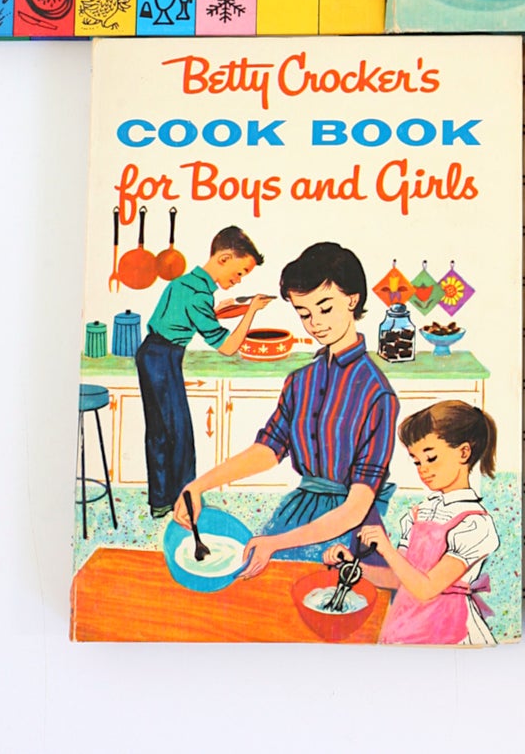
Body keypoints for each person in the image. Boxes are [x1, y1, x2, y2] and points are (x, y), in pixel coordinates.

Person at [174, 242, 399, 577]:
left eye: (325, 308)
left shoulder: (377, 393)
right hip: (297, 512)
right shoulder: (300, 380)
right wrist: (197, 486)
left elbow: (356, 508)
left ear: (352, 300)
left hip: (348, 531)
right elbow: (269, 449)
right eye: (304, 314)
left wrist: (276, 543)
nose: (315, 323)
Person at [329, 401, 499, 646]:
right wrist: (351, 566)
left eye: (431, 458)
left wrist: (386, 549)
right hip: (404, 622)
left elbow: (426, 589)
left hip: (446, 630)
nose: (423, 470)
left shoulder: (475, 524)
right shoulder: (421, 513)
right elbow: (396, 579)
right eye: (417, 462)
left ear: (464, 453)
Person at [136, 225, 269, 518]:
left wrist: (221, 311)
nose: (238, 280)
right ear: (223, 258)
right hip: (164, 359)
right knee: (179, 433)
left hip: (150, 354)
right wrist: (251, 312)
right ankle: (185, 501)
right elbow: (228, 347)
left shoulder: (184, 284)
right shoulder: (198, 295)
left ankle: (161, 501)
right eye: (239, 272)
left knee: (159, 432)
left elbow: (183, 317)